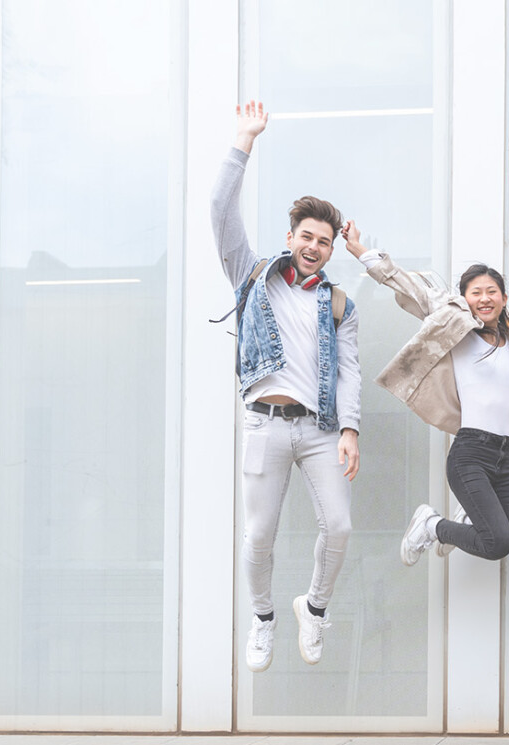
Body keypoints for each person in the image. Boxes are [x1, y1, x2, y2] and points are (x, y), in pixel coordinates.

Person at [341, 223, 509, 565]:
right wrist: (361, 251)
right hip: (470, 453)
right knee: (496, 543)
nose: (485, 298)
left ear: (504, 298)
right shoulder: (454, 324)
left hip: (507, 456)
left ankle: (463, 519)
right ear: (464, 298)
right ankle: (433, 526)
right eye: (476, 292)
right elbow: (409, 286)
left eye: (492, 291)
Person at [210, 101, 361, 673]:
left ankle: (314, 609)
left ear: (330, 247)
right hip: (264, 424)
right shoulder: (252, 274)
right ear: (291, 235)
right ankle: (263, 618)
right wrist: (244, 140)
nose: (314, 245)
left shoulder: (340, 303)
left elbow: (348, 370)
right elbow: (220, 209)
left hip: (319, 428)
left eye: (324, 240)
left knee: (340, 525)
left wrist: (349, 428)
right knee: (260, 534)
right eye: (306, 235)